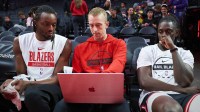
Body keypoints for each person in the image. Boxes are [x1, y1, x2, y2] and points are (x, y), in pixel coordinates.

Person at [53, 7, 131, 112]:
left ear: (107, 24)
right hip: (86, 94)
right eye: (91, 25)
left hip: (109, 92)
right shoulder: (80, 48)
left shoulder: (118, 44)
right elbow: (77, 75)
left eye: (98, 25)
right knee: (60, 108)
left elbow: (118, 64)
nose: (94, 29)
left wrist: (100, 79)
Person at [0, 5, 72, 112]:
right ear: (35, 23)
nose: (51, 29)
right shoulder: (19, 42)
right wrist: (11, 83)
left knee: (33, 94)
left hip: (51, 86)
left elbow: (57, 79)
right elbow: (21, 74)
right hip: (28, 83)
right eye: (46, 24)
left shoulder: (64, 43)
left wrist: (29, 84)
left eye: (54, 25)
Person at [137, 15, 200, 112]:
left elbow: (184, 81)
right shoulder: (147, 50)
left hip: (183, 95)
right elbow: (144, 81)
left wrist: (173, 49)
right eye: (160, 31)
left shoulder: (185, 53)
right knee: (171, 109)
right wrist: (179, 89)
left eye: (168, 31)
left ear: (177, 32)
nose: (164, 35)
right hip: (156, 94)